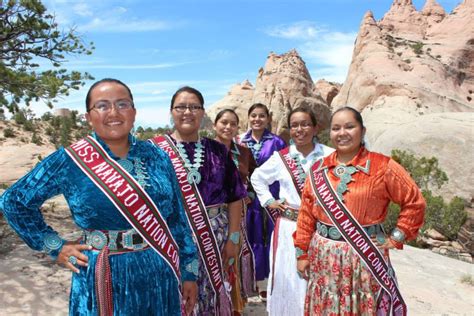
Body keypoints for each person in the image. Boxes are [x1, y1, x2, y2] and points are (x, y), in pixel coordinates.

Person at [0, 78, 199, 315]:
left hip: (159, 269)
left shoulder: (157, 157)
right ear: (88, 116)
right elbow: (14, 201)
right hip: (102, 275)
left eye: (122, 104)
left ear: (134, 112)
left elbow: (177, 218)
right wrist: (55, 246)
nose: (114, 112)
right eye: (102, 105)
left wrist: (189, 272)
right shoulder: (69, 160)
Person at [294, 106, 426, 315]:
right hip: (323, 256)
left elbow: (414, 201)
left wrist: (396, 236)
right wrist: (302, 253)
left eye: (349, 127)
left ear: (362, 131)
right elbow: (306, 215)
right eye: (336, 128)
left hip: (363, 258)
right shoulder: (318, 169)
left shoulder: (383, 166)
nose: (342, 133)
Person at [149, 87, 247, 315]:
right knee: (176, 297)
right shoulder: (154, 151)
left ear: (203, 113)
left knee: (212, 295)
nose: (187, 112)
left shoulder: (218, 150)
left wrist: (233, 238)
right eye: (180, 107)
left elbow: (235, 197)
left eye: (194, 107)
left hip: (215, 238)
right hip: (172, 240)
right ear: (171, 112)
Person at [251, 106, 334, 315]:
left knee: (321, 276)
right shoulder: (281, 158)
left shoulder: (330, 155)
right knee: (289, 277)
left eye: (305, 124)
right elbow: (257, 178)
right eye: (294, 125)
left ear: (315, 128)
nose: (300, 129)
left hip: (322, 229)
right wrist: (269, 200)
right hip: (290, 228)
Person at [237, 103, 286, 300]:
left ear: (268, 119)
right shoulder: (240, 141)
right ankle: (250, 281)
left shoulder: (277, 142)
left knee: (269, 238)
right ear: (248, 118)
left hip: (270, 198)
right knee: (248, 238)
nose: (257, 119)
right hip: (247, 199)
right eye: (254, 115)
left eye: (261, 116)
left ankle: (267, 282)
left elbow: (285, 170)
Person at [213, 109, 258, 315]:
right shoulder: (206, 150)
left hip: (236, 214)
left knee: (233, 255)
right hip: (210, 217)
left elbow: (256, 177)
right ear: (215, 125)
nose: (227, 127)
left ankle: (234, 304)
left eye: (232, 124)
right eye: (223, 122)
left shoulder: (244, 152)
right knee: (212, 256)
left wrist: (250, 193)